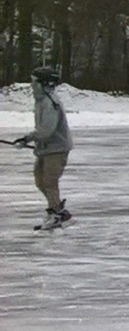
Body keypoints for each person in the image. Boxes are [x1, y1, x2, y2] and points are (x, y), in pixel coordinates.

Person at [16, 67, 73, 230]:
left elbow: (47, 130)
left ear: (44, 84)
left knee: (49, 181)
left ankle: (57, 214)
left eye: (34, 82)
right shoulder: (41, 101)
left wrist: (28, 138)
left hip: (57, 148)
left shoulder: (49, 102)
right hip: (46, 148)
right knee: (40, 181)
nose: (31, 85)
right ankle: (57, 211)